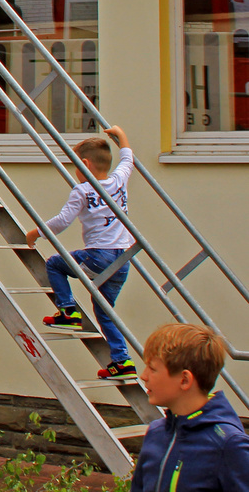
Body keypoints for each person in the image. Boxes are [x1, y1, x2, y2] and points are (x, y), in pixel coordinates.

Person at [24, 124, 137, 379]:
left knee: (54, 263)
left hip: (98, 257)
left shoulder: (82, 191)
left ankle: (68, 310)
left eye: (74, 165)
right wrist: (121, 135)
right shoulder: (118, 181)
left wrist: (35, 233)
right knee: (104, 310)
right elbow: (128, 158)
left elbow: (63, 221)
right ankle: (122, 362)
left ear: (84, 163)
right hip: (122, 260)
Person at [130, 323, 249, 490]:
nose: (143, 376)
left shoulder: (228, 444)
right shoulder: (156, 433)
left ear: (185, 380)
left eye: (152, 369)